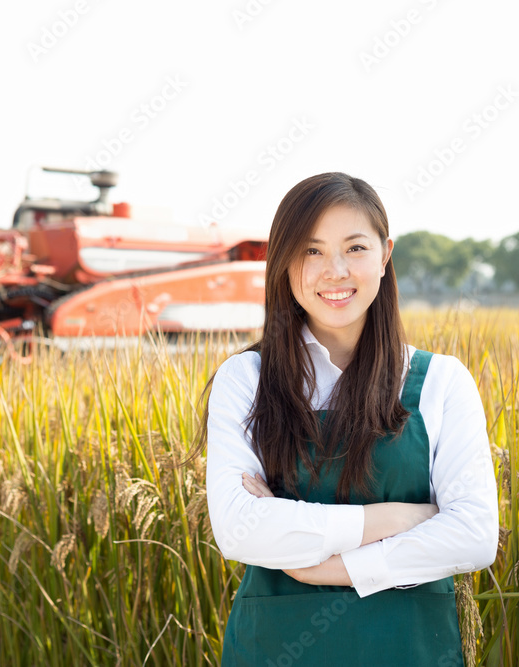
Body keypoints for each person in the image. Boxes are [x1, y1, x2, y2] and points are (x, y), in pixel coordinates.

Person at [184, 172, 499, 666]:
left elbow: (475, 538)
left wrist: (333, 568)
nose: (334, 271)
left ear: (385, 254)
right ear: (284, 262)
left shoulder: (442, 382)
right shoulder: (245, 379)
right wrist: (399, 518)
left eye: (355, 248)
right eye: (311, 251)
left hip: (408, 651)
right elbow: (240, 530)